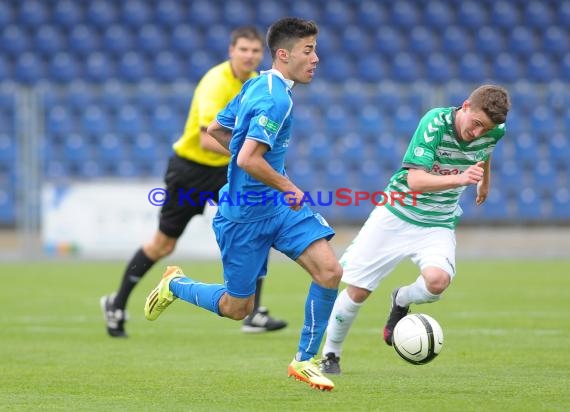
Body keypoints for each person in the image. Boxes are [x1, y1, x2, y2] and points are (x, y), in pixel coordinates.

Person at [143, 17, 342, 391]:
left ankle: (305, 361)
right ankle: (177, 285)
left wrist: (266, 177)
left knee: (330, 271)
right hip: (244, 216)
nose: (316, 58)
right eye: (309, 51)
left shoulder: (258, 84)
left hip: (278, 211)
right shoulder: (275, 96)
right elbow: (249, 159)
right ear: (283, 55)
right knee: (238, 309)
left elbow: (217, 130)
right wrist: (286, 185)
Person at [101, 26, 287, 338]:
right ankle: (116, 303)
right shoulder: (216, 82)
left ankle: (254, 313)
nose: (249, 56)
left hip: (227, 171)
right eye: (243, 49)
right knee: (164, 244)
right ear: (231, 51)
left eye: (255, 51)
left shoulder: (257, 83)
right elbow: (206, 139)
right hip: (192, 170)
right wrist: (251, 155)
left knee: (258, 226)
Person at [320, 85, 511, 374]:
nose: (478, 133)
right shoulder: (434, 123)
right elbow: (416, 181)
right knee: (358, 291)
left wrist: (485, 179)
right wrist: (461, 178)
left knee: (437, 282)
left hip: (437, 221)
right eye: (475, 125)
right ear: (465, 106)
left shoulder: (495, 130)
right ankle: (330, 354)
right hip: (395, 214)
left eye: (486, 129)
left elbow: (486, 149)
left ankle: (401, 299)